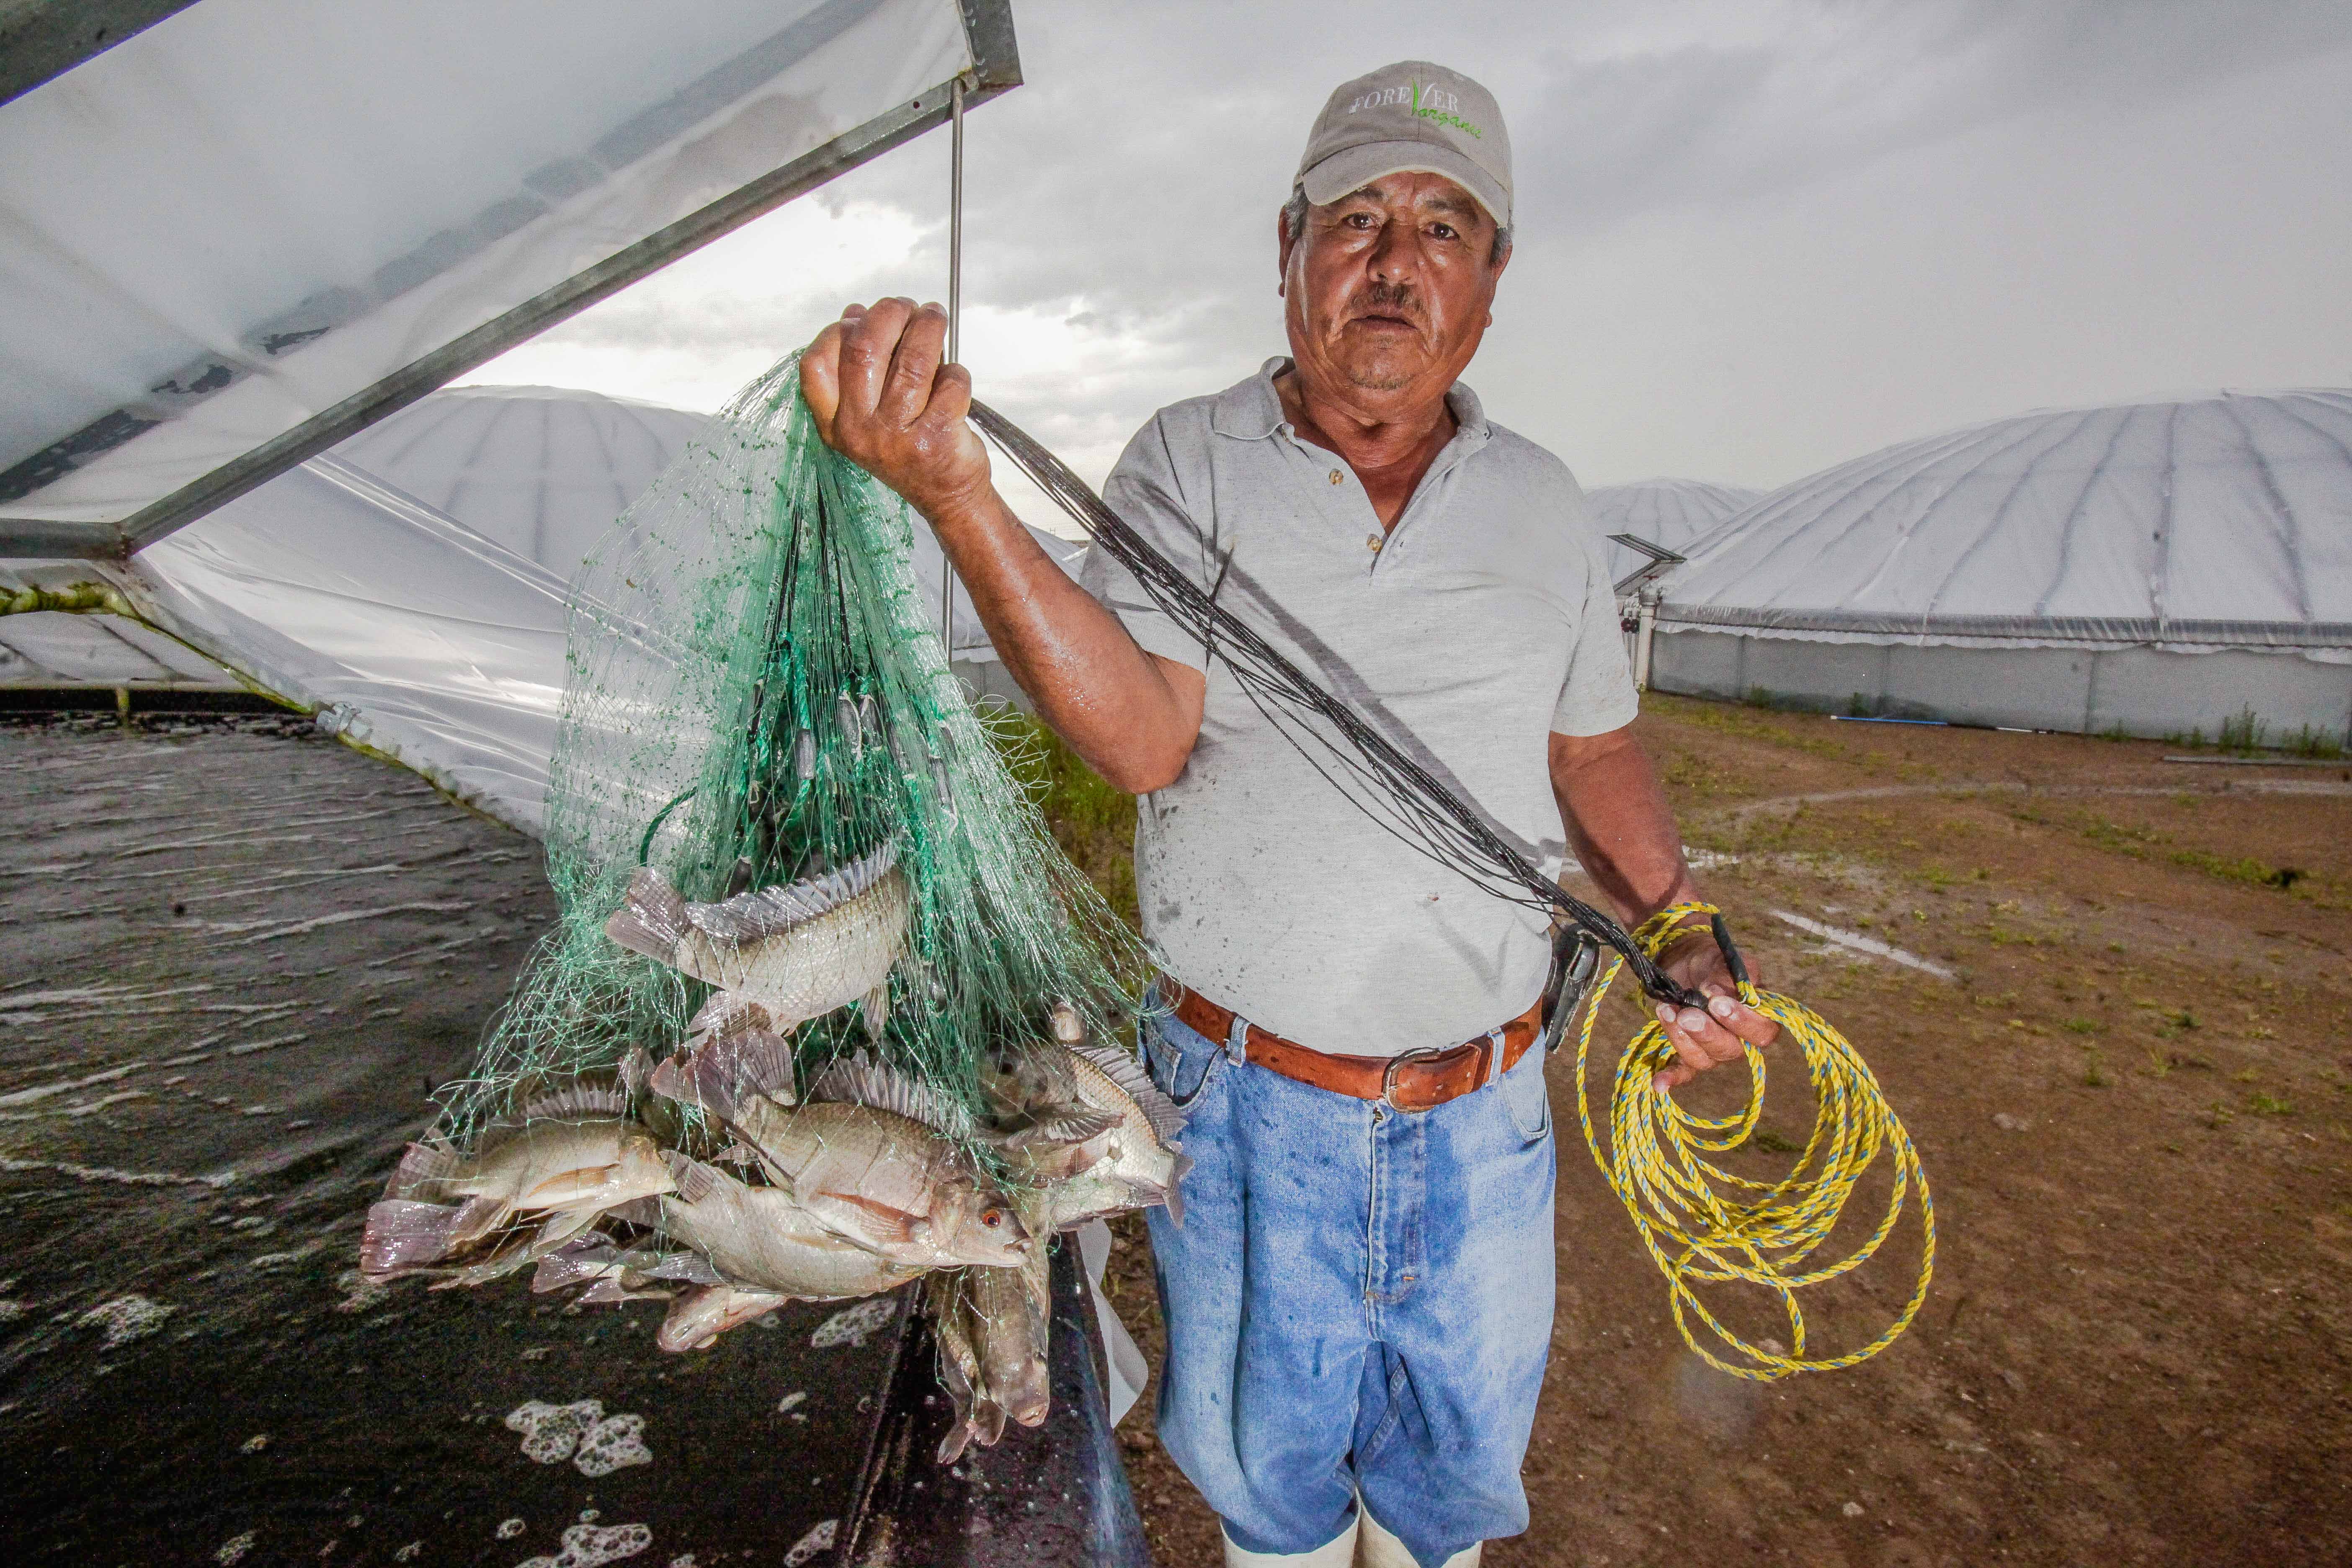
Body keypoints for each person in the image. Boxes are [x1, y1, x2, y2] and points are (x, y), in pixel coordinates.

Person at [801, 58, 1777, 1568]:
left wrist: (1681, 914)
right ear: (1289, 249)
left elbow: (1592, 749)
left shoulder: (1545, 505)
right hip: (1251, 1115)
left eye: (1447, 228)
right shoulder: (1188, 464)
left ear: (1494, 283)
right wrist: (959, 498)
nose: (1397, 263)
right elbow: (1142, 740)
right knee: (1275, 1504)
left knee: (1449, 1504)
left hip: (1488, 1121)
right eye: (1359, 219)